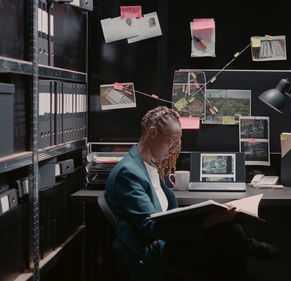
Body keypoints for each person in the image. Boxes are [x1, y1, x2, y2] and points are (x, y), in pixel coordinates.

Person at [105, 106, 278, 281]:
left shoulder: (148, 165)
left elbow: (165, 213)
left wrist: (207, 216)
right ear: (153, 133)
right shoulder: (129, 173)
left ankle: (248, 246)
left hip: (166, 239)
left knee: (226, 229)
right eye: (171, 141)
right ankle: (250, 247)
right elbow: (151, 228)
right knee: (226, 237)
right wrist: (207, 221)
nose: (173, 148)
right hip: (153, 249)